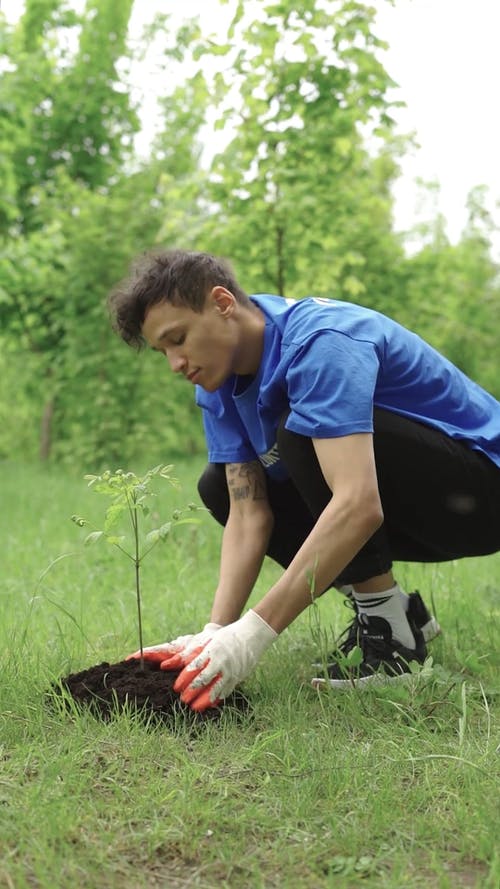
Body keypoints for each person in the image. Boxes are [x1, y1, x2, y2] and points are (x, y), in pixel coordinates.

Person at [108, 248, 500, 712]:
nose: (176, 362)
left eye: (179, 339)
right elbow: (248, 513)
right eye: (163, 351)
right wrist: (215, 634)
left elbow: (359, 505)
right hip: (414, 507)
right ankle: (397, 617)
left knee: (297, 432)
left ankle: (391, 637)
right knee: (217, 485)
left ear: (222, 303)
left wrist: (253, 635)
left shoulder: (320, 343)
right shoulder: (219, 382)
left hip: (480, 492)